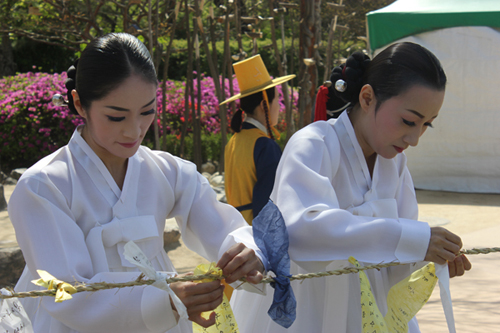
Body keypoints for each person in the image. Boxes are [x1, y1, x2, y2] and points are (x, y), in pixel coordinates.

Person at [9, 33, 265, 333]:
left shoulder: (167, 172)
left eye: (147, 111)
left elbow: (221, 225)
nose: (135, 130)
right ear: (79, 103)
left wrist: (245, 251)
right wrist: (164, 302)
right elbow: (63, 291)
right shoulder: (44, 185)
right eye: (116, 117)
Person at [230, 42, 472, 332]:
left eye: (426, 125)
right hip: (310, 311)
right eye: (408, 121)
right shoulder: (314, 144)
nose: (415, 138)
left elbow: (397, 258)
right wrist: (412, 239)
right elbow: (301, 231)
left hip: (371, 312)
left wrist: (428, 258)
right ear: (368, 98)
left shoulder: (394, 164)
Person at [222, 55, 295, 225]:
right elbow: (269, 205)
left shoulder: (233, 141)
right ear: (264, 106)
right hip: (256, 235)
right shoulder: (265, 145)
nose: (280, 106)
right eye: (278, 100)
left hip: (236, 228)